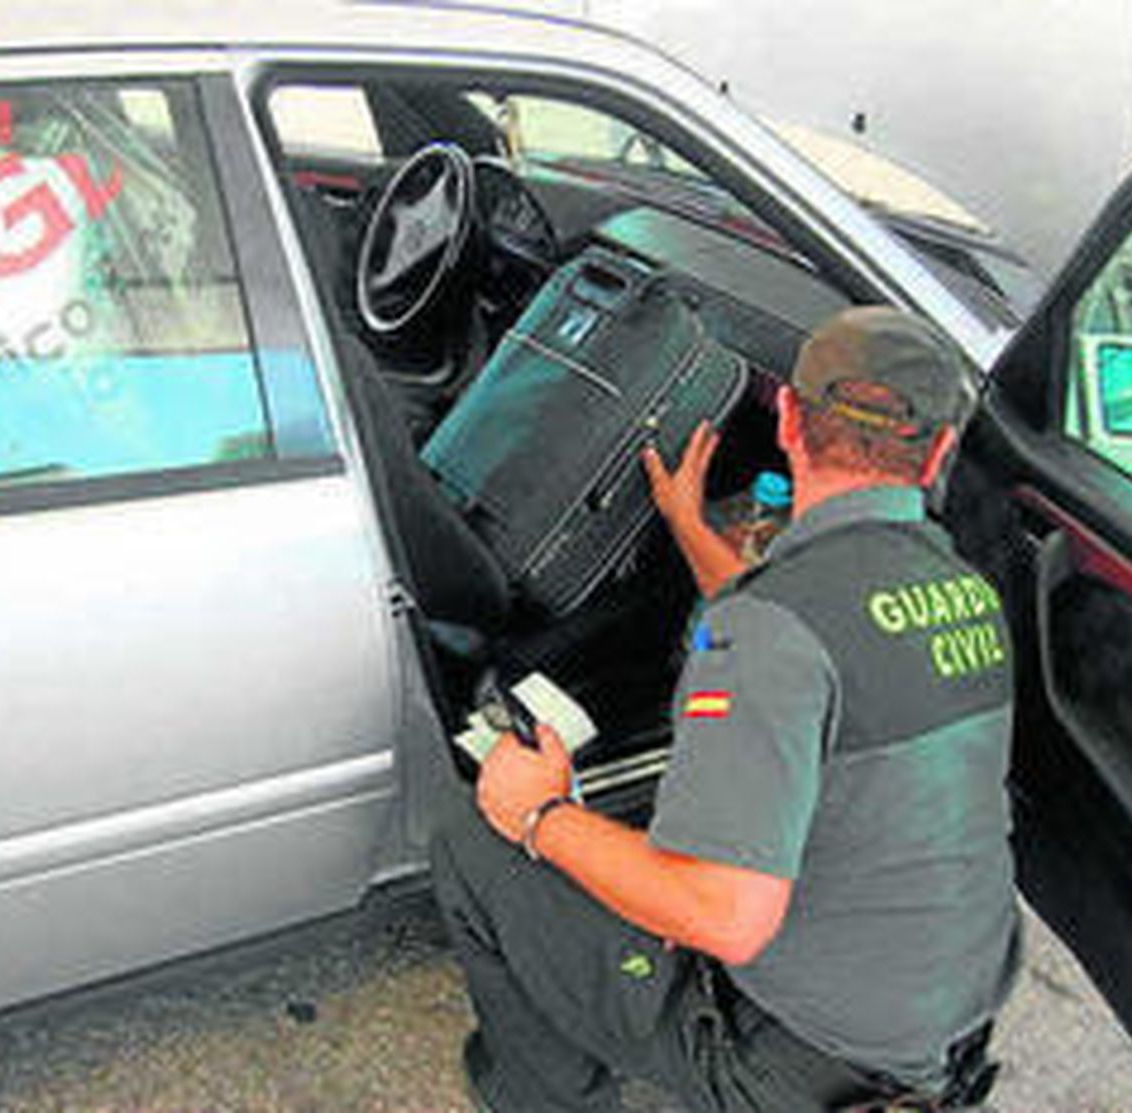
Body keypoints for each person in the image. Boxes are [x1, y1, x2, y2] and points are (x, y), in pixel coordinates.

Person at [430, 306, 1019, 1113]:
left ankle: (543, 1094)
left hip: (798, 1065)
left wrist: (538, 814)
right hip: (946, 1026)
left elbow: (725, 916)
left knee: (473, 843)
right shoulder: (965, 591)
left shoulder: (767, 635)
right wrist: (684, 522)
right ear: (939, 452)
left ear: (785, 417)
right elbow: (805, 629)